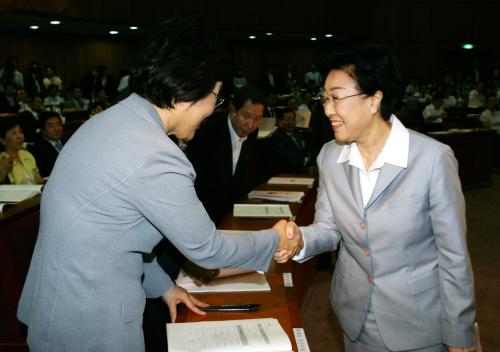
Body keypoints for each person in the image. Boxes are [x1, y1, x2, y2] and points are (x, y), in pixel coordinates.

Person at [17, 17, 301, 352]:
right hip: (94, 324)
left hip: (57, 310)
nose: (213, 109)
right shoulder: (155, 153)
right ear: (188, 91)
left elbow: (115, 233)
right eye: (216, 97)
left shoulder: (110, 121)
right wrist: (275, 238)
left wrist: (163, 286)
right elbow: (207, 250)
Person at [275, 42, 476, 352]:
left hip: (419, 324)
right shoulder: (330, 156)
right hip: (355, 315)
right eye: (324, 98)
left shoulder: (432, 159)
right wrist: (300, 239)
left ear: (374, 100)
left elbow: (454, 255)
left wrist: (459, 331)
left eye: (337, 97)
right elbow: (329, 228)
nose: (327, 109)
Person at [186, 85, 267, 225]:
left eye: (257, 118)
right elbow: (198, 184)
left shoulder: (253, 133)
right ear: (232, 110)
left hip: (232, 212)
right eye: (247, 116)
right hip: (203, 214)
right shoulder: (208, 133)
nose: (251, 125)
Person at [0, 117, 43, 185]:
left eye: (20, 132)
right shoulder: (2, 160)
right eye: (14, 133)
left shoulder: (27, 155)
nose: (19, 136)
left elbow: (38, 179)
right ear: (3, 141)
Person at [269, 108, 310, 175]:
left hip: (302, 168)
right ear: (279, 121)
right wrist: (305, 160)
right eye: (288, 120)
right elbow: (286, 158)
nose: (291, 122)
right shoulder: (276, 137)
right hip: (287, 173)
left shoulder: (296, 133)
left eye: (293, 120)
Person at [28, 112, 64, 178]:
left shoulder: (67, 142)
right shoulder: (37, 149)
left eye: (58, 125)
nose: (56, 129)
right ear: (42, 130)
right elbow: (44, 173)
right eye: (51, 126)